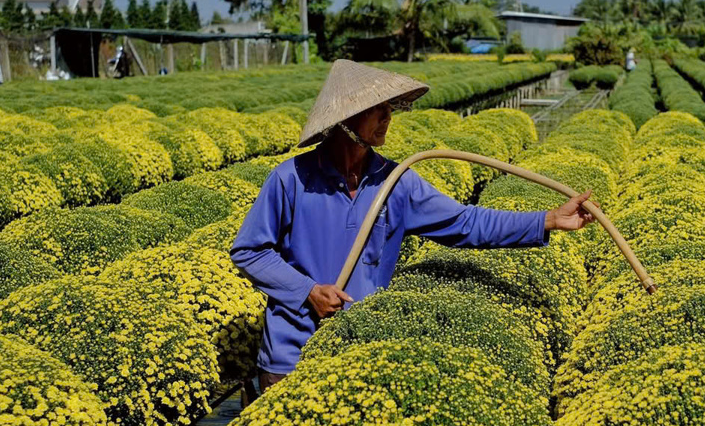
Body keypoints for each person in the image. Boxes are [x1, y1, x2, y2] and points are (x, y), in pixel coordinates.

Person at [230, 59, 597, 393]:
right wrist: (308, 291)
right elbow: (248, 251)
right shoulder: (291, 179)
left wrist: (548, 219)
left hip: (362, 350)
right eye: (377, 109)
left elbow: (465, 222)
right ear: (345, 119)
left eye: (390, 108)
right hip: (291, 357)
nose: (387, 117)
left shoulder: (395, 182)